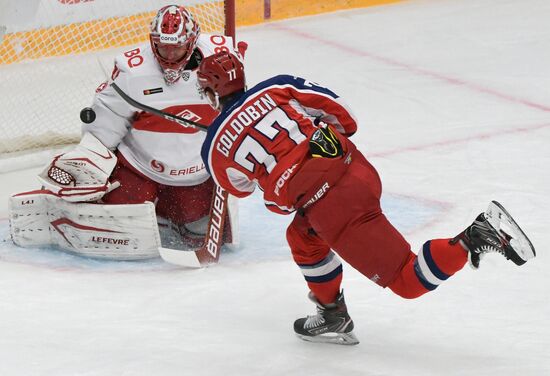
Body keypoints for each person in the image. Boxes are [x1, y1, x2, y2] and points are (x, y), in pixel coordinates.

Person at [195, 51, 536, 345]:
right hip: (359, 172)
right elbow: (344, 116)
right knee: (301, 236)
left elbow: (249, 191)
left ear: (211, 91)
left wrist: (278, 175)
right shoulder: (277, 87)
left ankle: (473, 237)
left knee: (407, 282)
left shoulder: (212, 147)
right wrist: (320, 147)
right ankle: (332, 315)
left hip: (334, 207)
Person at [9, 5, 244, 260]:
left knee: (198, 232)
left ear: (191, 41)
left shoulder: (221, 60)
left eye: (176, 47)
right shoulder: (133, 71)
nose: (169, 54)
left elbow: (238, 112)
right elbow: (107, 118)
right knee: (118, 219)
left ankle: (166, 211)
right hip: (139, 166)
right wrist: (93, 157)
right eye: (163, 47)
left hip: (195, 172)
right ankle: (147, 208)